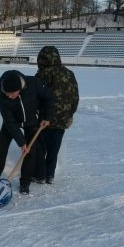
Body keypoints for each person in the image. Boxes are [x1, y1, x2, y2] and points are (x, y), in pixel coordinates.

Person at [0, 70, 53, 194]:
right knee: (1, 148)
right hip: (12, 122)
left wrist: (47, 116)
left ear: (20, 88)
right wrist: (21, 142)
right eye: (6, 93)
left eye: (12, 94)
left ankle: (25, 183)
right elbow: (9, 122)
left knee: (30, 152)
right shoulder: (1, 97)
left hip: (31, 120)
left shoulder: (34, 83)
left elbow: (48, 97)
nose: (9, 96)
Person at [33, 46, 79, 184]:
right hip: (63, 119)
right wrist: (70, 114)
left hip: (45, 118)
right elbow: (75, 97)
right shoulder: (70, 73)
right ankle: (49, 175)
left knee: (40, 148)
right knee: (54, 148)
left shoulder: (43, 74)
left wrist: (35, 113)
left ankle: (39, 175)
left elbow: (36, 96)